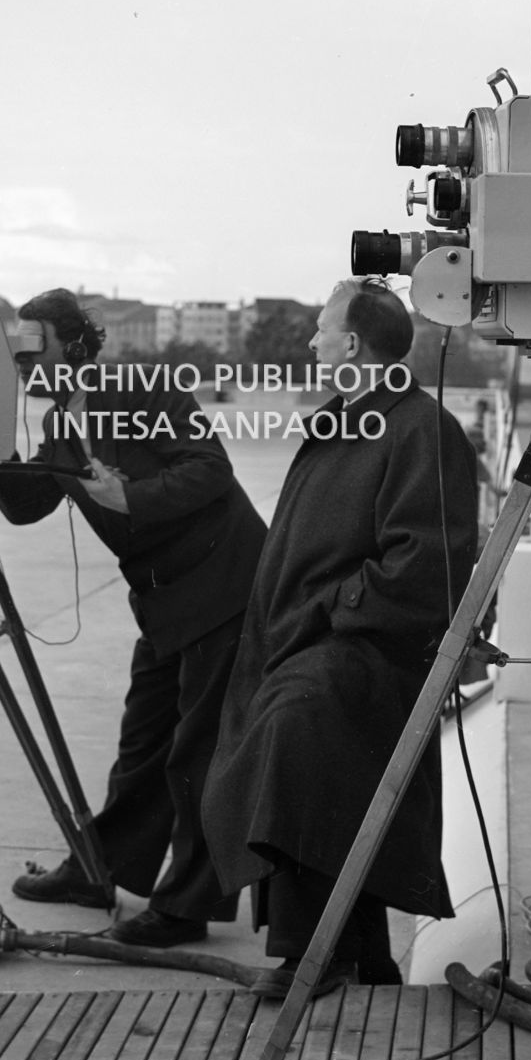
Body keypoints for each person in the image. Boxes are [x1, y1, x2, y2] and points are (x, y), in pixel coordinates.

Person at [201, 277, 478, 999]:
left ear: (352, 344)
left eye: (322, 329)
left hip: (369, 653)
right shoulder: (344, 420)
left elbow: (425, 565)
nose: (311, 339)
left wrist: (328, 608)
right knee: (279, 733)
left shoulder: (422, 429)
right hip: (310, 641)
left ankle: (310, 954)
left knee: (294, 730)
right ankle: (363, 955)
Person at [0, 289, 267, 947]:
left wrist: (128, 496)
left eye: (34, 350)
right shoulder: (61, 427)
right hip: (165, 600)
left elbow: (210, 468)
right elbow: (26, 506)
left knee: (199, 751)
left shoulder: (141, 388)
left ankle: (186, 907)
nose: (25, 365)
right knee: (144, 742)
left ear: (74, 346)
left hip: (223, 586)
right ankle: (100, 870)